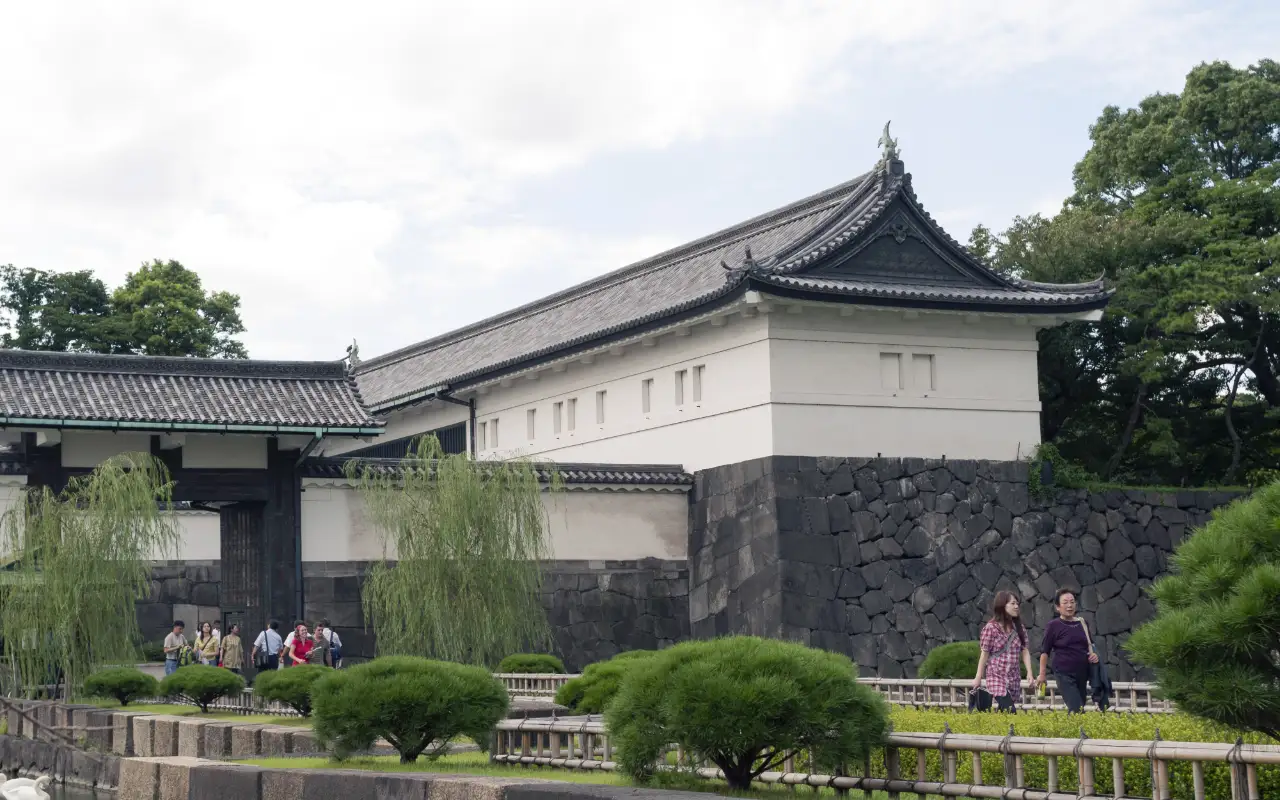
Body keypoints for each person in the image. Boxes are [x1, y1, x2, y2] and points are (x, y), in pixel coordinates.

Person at [1036, 587, 1099, 713]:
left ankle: (1073, 731)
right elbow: (1045, 651)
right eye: (1065, 603)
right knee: (1076, 708)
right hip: (1063, 673)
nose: (1069, 605)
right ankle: (1076, 732)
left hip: (1082, 673)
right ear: (1058, 607)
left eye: (1072, 602)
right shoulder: (1053, 626)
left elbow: (1089, 645)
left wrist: (1094, 656)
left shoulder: (1082, 623)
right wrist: (1042, 674)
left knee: (1080, 707)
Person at [971, 591, 1034, 713]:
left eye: (1017, 603)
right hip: (996, 676)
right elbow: (984, 653)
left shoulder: (1019, 628)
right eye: (1012, 603)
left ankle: (998, 731)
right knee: (1011, 710)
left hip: (1013, 677)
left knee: (1004, 712)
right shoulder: (991, 628)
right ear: (1002, 605)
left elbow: (1025, 650)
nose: (1016, 606)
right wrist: (978, 677)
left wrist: (1029, 673)